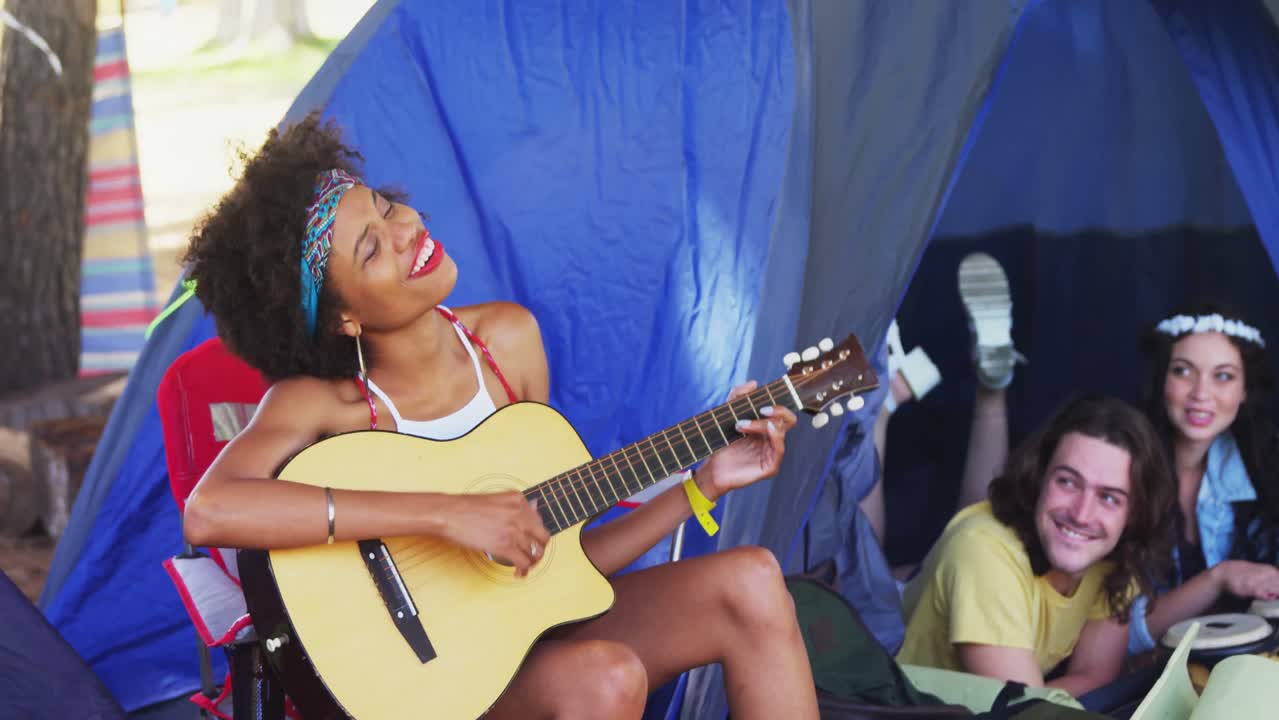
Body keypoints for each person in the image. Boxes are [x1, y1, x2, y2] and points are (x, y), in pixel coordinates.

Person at [179, 113, 820, 719]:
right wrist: (446, 515)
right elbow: (211, 511)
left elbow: (562, 566)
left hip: (529, 643)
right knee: (607, 676)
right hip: (425, 684)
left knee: (753, 579)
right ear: (343, 316)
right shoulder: (323, 406)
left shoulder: (509, 345)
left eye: (386, 205)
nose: (407, 231)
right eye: (373, 249)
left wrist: (700, 485)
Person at [895, 395, 1175, 697]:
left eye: (1109, 498)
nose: (1081, 515)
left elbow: (1094, 676)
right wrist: (1038, 701)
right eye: (1067, 482)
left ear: (1133, 513)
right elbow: (1022, 710)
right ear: (1039, 474)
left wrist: (1040, 698)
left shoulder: (1115, 556)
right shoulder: (983, 550)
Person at [1125, 303, 1279, 654]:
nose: (1200, 393)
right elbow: (1121, 639)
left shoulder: (1265, 467)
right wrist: (1219, 577)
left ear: (1244, 390)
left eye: (1223, 376)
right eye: (1183, 371)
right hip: (1139, 682)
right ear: (1161, 378)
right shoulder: (1124, 475)